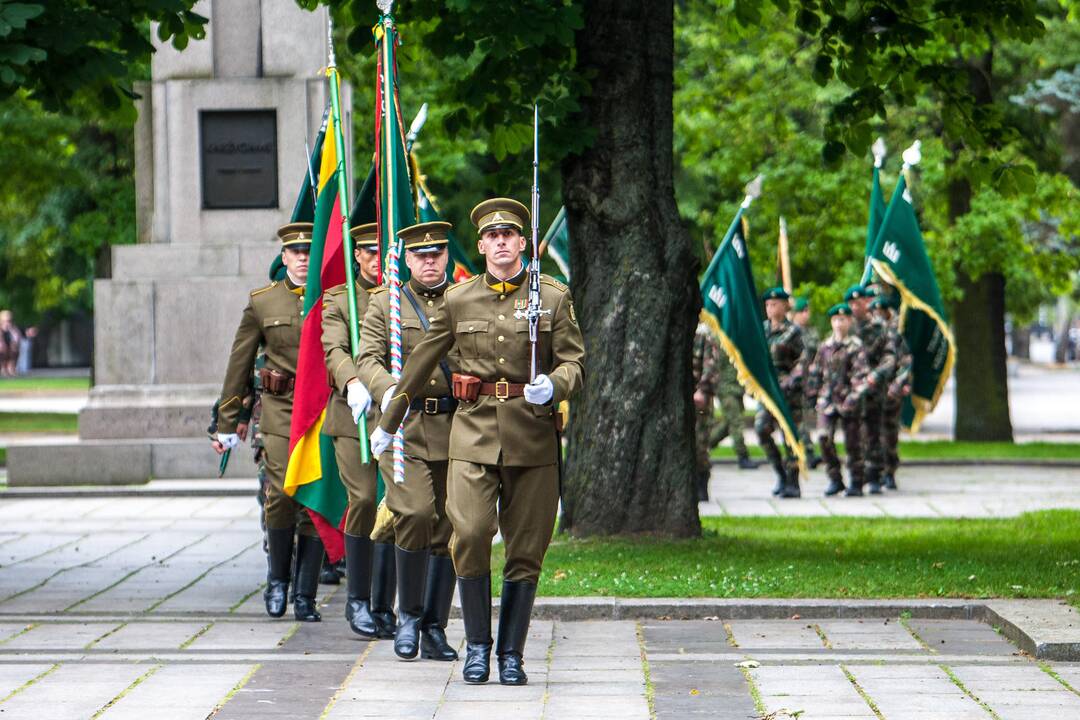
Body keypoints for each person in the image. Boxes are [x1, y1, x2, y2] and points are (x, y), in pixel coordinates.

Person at [370, 198, 585, 686]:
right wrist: (390, 420)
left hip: (532, 440)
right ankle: (478, 647)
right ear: (482, 245)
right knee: (467, 534)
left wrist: (555, 384)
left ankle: (511, 654)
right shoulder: (459, 299)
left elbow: (575, 361)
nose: (502, 241)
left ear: (523, 243)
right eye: (493, 236)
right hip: (472, 435)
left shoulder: (550, 296)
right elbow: (422, 361)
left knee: (526, 549)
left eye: (511, 234)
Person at [357, 220, 461, 662]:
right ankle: (409, 617)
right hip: (405, 428)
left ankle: (435, 627)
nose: (430, 261)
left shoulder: (465, 299)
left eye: (437, 253)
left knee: (451, 526)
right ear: (408, 260)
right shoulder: (387, 302)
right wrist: (391, 394)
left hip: (457, 427)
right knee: (416, 513)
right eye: (421, 255)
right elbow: (366, 358)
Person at [213, 222, 325, 622]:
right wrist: (227, 422)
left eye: (309, 252)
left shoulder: (333, 299)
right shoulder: (263, 302)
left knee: (314, 500)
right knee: (280, 494)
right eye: (295, 252)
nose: (302, 259)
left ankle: (306, 595)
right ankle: (278, 579)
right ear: (284, 257)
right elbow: (238, 363)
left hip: (323, 410)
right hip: (279, 410)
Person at [319, 222, 400, 639]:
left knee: (398, 506)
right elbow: (333, 348)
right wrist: (352, 383)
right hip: (354, 417)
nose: (376, 260)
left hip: (396, 415)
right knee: (366, 500)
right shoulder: (341, 299)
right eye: (368, 252)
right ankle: (358, 600)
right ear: (357, 255)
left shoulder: (402, 299)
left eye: (382, 252)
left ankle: (385, 606)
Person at [808, 303, 868, 496]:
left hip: (849, 400)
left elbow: (861, 376)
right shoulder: (825, 346)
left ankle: (857, 482)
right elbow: (816, 371)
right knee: (823, 437)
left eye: (842, 319)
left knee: (853, 443)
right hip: (828, 400)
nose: (838, 324)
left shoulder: (856, 347)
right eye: (835, 320)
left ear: (849, 321)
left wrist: (853, 397)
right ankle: (835, 478)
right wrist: (813, 394)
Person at [845, 284, 897, 495]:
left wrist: (876, 375)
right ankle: (856, 477)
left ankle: (875, 475)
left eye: (860, 303)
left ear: (868, 302)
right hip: (849, 391)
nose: (856, 307)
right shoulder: (845, 326)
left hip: (874, 391)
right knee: (853, 435)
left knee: (874, 432)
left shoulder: (880, 327)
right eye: (852, 303)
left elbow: (890, 356)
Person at [755, 287, 804, 498]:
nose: (770, 308)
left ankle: (793, 482)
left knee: (790, 436)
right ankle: (780, 473)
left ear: (785, 306)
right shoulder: (761, 329)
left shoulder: (793, 332)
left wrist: (791, 381)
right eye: (767, 304)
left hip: (788, 394)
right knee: (761, 429)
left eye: (774, 304)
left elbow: (803, 362)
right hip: (767, 392)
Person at [872, 293, 911, 490]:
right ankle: (874, 473)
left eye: (881, 312)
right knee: (871, 434)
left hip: (890, 394)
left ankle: (889, 472)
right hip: (872, 393)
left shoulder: (896, 336)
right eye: (874, 312)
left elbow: (905, 364)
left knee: (889, 435)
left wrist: (897, 385)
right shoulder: (870, 335)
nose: (877, 316)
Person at [708, 344, 758, 471]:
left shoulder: (736, 341)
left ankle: (703, 446)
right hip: (726, 389)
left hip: (736, 389)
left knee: (728, 424)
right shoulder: (721, 342)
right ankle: (743, 457)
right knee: (736, 423)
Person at [692, 322, 722, 501]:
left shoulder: (704, 333)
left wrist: (703, 390)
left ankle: (702, 484)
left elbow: (711, 365)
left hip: (699, 397)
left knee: (700, 444)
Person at [791, 297, 822, 468]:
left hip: (808, 381)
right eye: (803, 311)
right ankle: (807, 454)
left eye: (807, 311)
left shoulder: (811, 332)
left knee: (803, 418)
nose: (807, 314)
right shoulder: (790, 332)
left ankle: (805, 453)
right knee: (799, 419)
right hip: (793, 382)